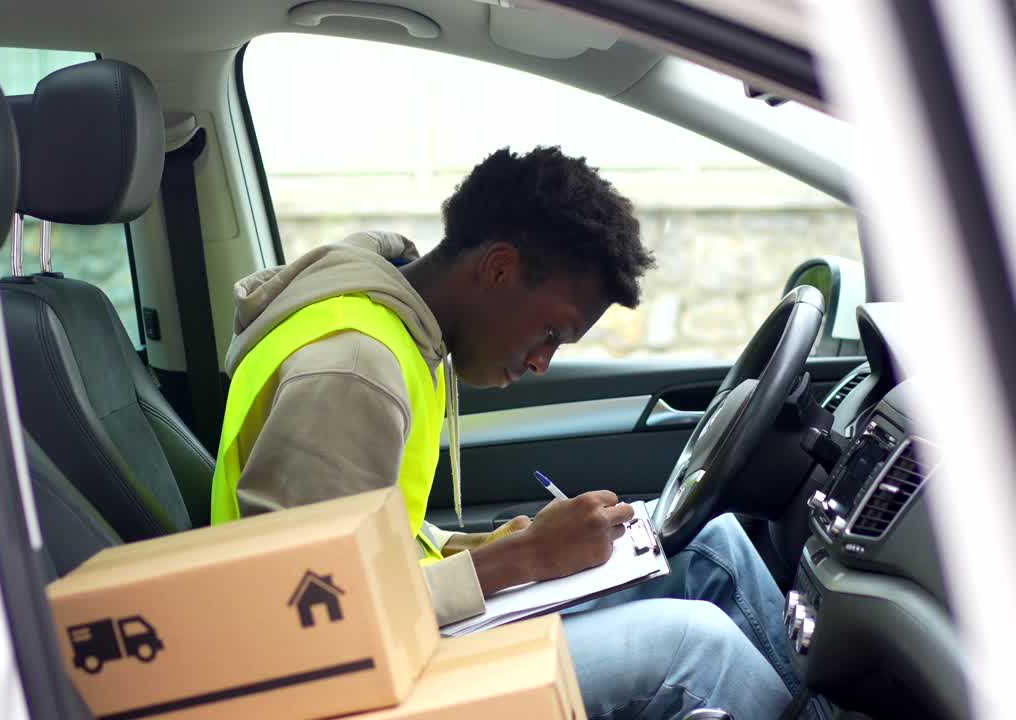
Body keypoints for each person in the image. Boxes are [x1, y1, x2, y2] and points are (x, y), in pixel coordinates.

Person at [210, 147, 817, 719]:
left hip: (410, 636)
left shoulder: (391, 336)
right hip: (365, 689)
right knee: (698, 646)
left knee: (712, 545)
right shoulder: (354, 368)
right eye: (551, 332)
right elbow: (303, 623)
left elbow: (376, 537)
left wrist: (487, 547)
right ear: (499, 269)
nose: (541, 363)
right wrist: (525, 558)